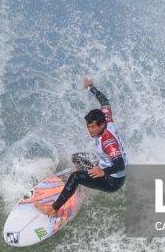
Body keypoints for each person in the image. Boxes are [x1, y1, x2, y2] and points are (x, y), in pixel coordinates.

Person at [37, 77, 127, 216]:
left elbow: (120, 164)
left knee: (75, 176)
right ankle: (78, 186)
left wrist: (104, 172)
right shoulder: (106, 119)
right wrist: (91, 87)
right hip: (107, 167)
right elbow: (105, 102)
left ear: (101, 125)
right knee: (78, 158)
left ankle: (52, 210)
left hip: (113, 180)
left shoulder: (108, 142)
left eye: (92, 127)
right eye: (88, 127)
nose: (90, 130)